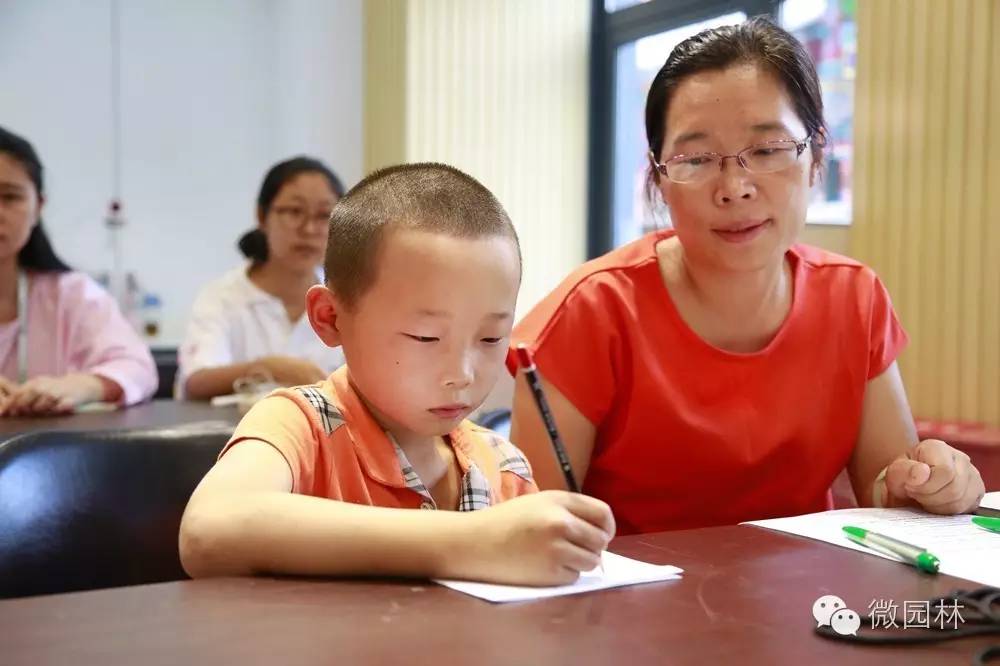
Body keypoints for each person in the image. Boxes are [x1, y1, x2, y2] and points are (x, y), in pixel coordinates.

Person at [509, 18, 985, 536]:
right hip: (630, 608)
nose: (734, 187)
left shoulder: (854, 298)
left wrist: (932, 481)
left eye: (767, 150)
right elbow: (532, 530)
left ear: (816, 158)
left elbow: (885, 494)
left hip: (810, 607)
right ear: (659, 180)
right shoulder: (591, 313)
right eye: (695, 159)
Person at [180, 163, 615, 585]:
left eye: (490, 338)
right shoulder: (304, 424)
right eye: (426, 338)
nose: (461, 374)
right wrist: (474, 542)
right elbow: (208, 530)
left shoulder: (503, 466)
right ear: (331, 317)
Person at [0, 126, 157, 416]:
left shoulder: (71, 295)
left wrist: (81, 386)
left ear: (38, 207)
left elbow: (138, 369)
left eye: (10, 197)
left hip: (41, 459)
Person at [177, 157, 347, 400]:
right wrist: (270, 368)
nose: (309, 229)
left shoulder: (347, 297)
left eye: (323, 215)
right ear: (262, 216)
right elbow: (196, 381)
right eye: (295, 212)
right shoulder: (223, 297)